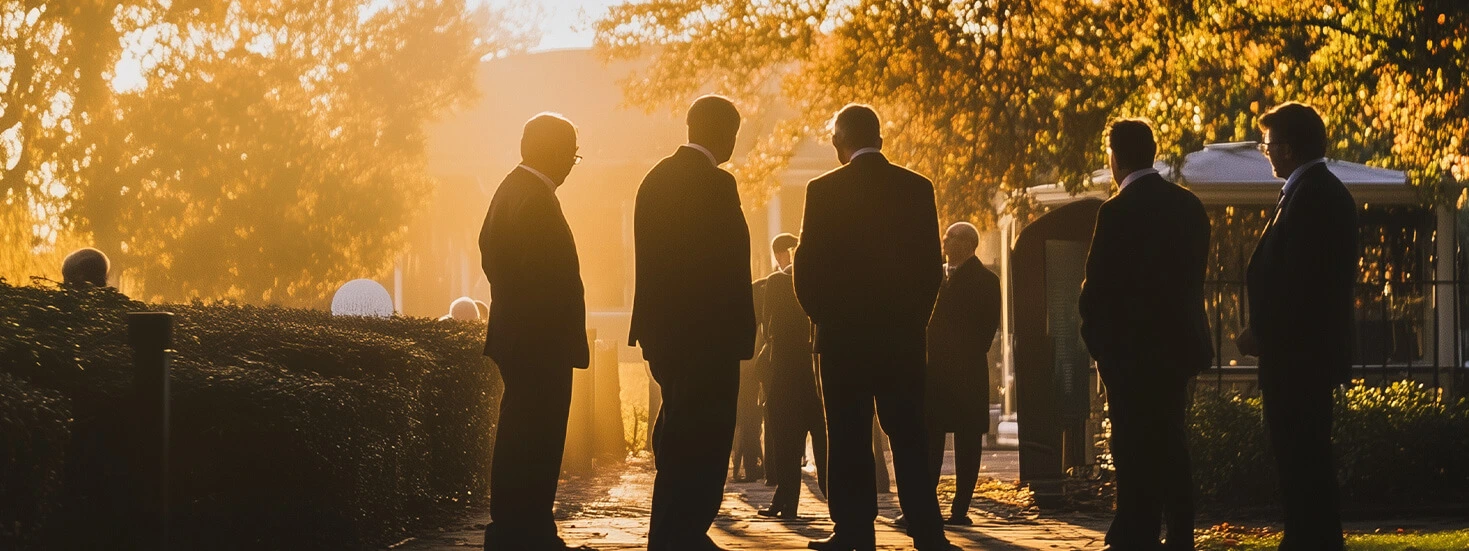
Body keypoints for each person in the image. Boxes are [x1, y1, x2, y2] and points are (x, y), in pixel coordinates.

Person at [794, 104, 957, 551]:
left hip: (842, 338)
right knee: (909, 436)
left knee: (847, 439)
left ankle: (853, 532)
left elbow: (805, 269)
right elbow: (930, 270)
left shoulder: (822, 190)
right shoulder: (916, 188)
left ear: (836, 144)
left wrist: (823, 318)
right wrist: (913, 322)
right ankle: (927, 531)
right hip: (900, 337)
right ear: (880, 140)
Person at [628, 95, 757, 551]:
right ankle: (681, 530)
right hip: (709, 337)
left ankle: (674, 529)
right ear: (723, 132)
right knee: (706, 438)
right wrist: (745, 333)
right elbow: (731, 267)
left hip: (666, 335)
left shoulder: (655, 179)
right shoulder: (716, 185)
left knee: (679, 430)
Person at [1078, 119, 1212, 551]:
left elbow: (1096, 290)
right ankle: (1180, 529)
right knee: (1171, 439)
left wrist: (1101, 349)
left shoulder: (1115, 211)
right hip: (1175, 348)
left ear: (1114, 157)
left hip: (1129, 353)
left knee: (1132, 444)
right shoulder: (1188, 206)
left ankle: (1136, 528)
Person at [1237, 102, 1355, 551]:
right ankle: (1308, 536)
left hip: (1299, 359)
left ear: (1286, 148)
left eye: (1267, 143)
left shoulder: (1313, 197)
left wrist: (1262, 334)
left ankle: (1311, 539)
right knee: (1302, 459)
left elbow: (1302, 285)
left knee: (1302, 459)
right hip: (1302, 357)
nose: (1264, 152)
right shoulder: (1311, 193)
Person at [477, 113, 593, 551]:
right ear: (554, 151)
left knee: (520, 430)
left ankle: (515, 522)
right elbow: (546, 275)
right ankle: (529, 527)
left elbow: (493, 256)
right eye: (571, 154)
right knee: (539, 435)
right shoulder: (535, 198)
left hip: (519, 333)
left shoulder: (511, 190)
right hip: (540, 339)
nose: (570, 165)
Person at [924, 221, 1002, 527]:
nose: (943, 243)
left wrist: (955, 348)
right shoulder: (934, 278)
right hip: (934, 375)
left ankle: (960, 510)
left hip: (966, 373)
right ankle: (924, 506)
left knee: (968, 444)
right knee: (930, 441)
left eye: (950, 238)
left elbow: (985, 329)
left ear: (969, 244)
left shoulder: (985, 280)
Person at [757, 233, 828, 519]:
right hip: (814, 372)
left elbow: (766, 325)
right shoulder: (822, 284)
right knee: (823, 440)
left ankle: (787, 500)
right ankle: (833, 497)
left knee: (785, 441)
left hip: (785, 370)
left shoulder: (776, 283)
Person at [731, 277, 768, 483]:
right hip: (751, 373)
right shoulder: (760, 324)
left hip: (744, 372)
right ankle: (752, 465)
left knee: (747, 419)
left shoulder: (744, 318)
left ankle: (749, 466)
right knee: (751, 419)